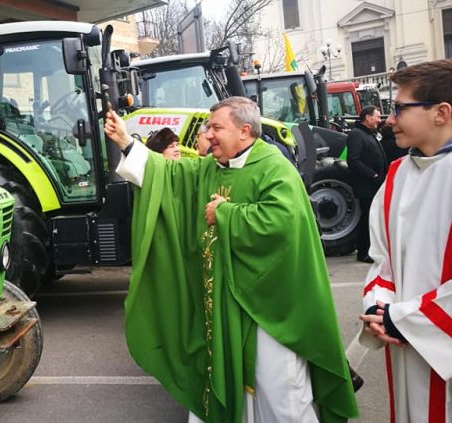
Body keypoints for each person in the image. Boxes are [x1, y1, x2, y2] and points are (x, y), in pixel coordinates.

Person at [104, 97, 358, 422]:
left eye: (216, 128)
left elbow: (281, 222)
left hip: (271, 310)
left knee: (281, 394)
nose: (208, 135)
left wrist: (225, 214)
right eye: (209, 127)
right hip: (226, 305)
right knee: (236, 390)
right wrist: (126, 142)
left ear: (244, 130)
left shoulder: (273, 168)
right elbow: (168, 173)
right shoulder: (212, 167)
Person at [359, 59, 452, 423]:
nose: (389, 119)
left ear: (440, 113)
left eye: (399, 108)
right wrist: (379, 308)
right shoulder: (397, 175)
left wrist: (404, 318)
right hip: (402, 345)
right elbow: (381, 260)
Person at [346, 105, 387, 263]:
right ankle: (363, 252)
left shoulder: (368, 134)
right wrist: (374, 174)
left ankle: (369, 249)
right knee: (367, 220)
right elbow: (353, 160)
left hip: (374, 184)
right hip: (367, 185)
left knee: (371, 218)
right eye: (377, 116)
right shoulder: (357, 134)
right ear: (368, 117)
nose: (379, 119)